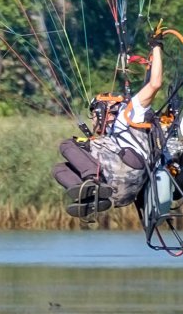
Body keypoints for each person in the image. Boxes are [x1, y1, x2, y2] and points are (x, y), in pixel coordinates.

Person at [54, 44, 162, 219]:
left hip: (128, 167)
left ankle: (91, 180)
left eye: (94, 114)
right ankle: (91, 197)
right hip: (121, 192)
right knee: (59, 169)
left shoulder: (131, 111)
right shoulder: (110, 133)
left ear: (104, 110)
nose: (93, 120)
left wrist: (156, 47)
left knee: (67, 144)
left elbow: (155, 83)